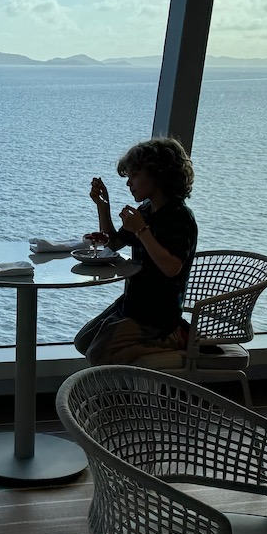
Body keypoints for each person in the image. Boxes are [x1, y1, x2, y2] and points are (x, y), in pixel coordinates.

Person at [73, 136, 198, 366]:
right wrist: (103, 206)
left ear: (158, 175)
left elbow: (171, 268)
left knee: (97, 354)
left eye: (134, 176)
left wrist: (141, 230)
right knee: (83, 342)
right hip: (133, 303)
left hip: (157, 315)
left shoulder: (180, 217)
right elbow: (115, 243)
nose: (129, 183)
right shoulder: (147, 210)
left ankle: (174, 338)